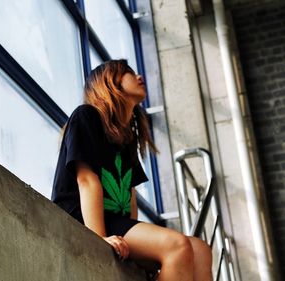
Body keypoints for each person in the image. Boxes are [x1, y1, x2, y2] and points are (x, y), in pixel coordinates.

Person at [51, 59, 212, 281]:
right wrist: (98, 239)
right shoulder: (86, 116)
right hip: (81, 218)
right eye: (128, 72)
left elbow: (130, 197)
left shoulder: (127, 137)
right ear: (109, 82)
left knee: (200, 250)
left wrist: (140, 245)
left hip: (117, 223)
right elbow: (87, 181)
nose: (139, 77)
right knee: (177, 245)